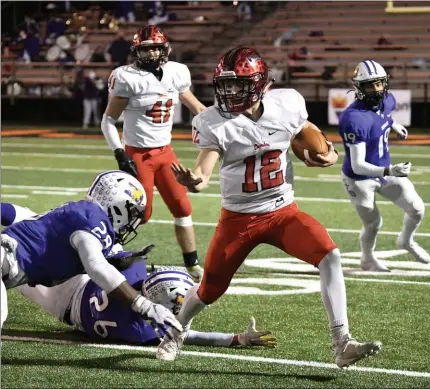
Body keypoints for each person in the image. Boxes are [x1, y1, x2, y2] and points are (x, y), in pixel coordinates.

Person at [155, 47, 382, 369]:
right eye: (226, 85)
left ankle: (342, 342)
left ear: (261, 84)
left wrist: (328, 154)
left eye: (240, 85)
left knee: (329, 255)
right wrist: (194, 181)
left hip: (282, 211)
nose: (231, 92)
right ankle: (175, 332)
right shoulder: (213, 122)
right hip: (239, 218)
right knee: (210, 289)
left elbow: (311, 135)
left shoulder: (286, 103)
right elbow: (204, 174)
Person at [0, 171, 182, 339]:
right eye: (132, 213)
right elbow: (96, 266)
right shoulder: (92, 219)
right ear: (119, 206)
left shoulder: (81, 212)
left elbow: (25, 215)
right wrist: (143, 305)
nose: (132, 222)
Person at [101, 26, 207, 282]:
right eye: (145, 48)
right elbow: (108, 120)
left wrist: (220, 125)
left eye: (155, 47)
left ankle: (192, 265)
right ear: (136, 51)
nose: (151, 53)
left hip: (165, 153)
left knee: (182, 206)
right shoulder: (127, 77)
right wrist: (119, 153)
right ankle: (106, 256)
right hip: (138, 155)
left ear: (165, 49)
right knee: (140, 214)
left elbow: (198, 108)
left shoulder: (176, 72)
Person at [338, 60, 430, 272]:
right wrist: (390, 171)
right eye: (370, 85)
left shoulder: (388, 100)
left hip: (385, 169)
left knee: (417, 209)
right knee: (373, 223)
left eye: (379, 83)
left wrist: (394, 125)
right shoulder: (353, 119)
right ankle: (367, 258)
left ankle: (406, 241)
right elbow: (359, 165)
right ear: (359, 88)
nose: (376, 89)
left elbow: (383, 116)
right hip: (359, 179)